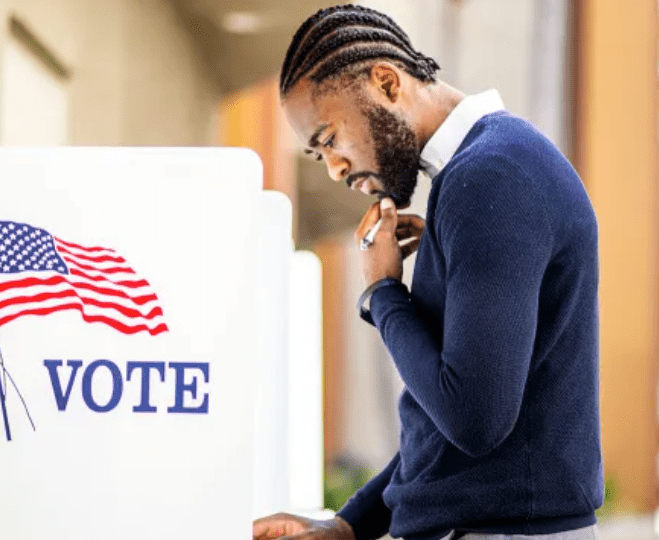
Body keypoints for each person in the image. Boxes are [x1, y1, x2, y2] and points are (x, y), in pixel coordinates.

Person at [253, 4, 603, 540]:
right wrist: (349, 526)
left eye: (329, 140)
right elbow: (442, 429)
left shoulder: (491, 175)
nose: (334, 169)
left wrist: (383, 292)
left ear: (387, 82)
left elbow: (473, 420)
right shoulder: (478, 174)